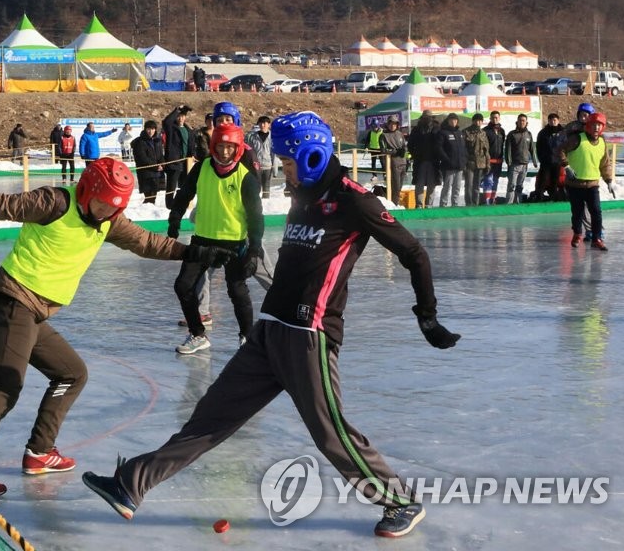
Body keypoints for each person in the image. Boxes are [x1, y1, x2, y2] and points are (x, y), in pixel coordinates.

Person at [83, 111, 461, 539]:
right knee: (210, 417)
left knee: (330, 432)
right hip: (268, 331)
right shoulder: (303, 195)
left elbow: (415, 253)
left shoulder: (355, 200)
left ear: (313, 155)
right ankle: (132, 484)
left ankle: (400, 501)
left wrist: (426, 315)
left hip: (308, 336)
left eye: (287, 163)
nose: (283, 172)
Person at [0, 158, 234, 497]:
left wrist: (195, 253)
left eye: (113, 208)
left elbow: (146, 242)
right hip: (9, 302)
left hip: (32, 313)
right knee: (4, 388)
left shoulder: (109, 221)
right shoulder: (55, 203)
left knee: (72, 373)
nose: (104, 212)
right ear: (87, 189)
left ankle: (40, 452)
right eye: (101, 203)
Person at [167, 123, 263, 353]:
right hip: (202, 241)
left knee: (237, 291)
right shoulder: (201, 169)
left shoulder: (246, 178)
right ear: (213, 146)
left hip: (234, 243)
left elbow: (256, 217)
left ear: (238, 148)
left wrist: (254, 249)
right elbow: (183, 195)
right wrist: (174, 221)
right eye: (220, 146)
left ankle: (247, 337)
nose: (225, 152)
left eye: (230, 147)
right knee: (183, 286)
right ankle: (198, 334)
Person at [559, 112, 612, 251]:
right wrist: (566, 166)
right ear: (588, 125)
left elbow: (605, 163)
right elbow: (560, 150)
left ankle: (596, 238)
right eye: (594, 125)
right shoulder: (577, 139)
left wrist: (609, 180)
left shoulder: (602, 142)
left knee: (596, 212)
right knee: (577, 212)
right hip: (575, 184)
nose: (596, 128)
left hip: (592, 184)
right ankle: (577, 233)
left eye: (599, 125)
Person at [161, 105, 195, 209]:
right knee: (171, 186)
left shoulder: (188, 130)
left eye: (182, 116)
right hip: (174, 161)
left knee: (184, 185)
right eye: (178, 116)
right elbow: (166, 122)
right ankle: (169, 206)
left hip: (185, 162)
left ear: (185, 118)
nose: (180, 119)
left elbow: (191, 145)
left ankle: (181, 204)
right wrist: (177, 110)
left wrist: (192, 155)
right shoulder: (172, 128)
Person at [407, 110, 440, 208]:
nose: (427, 119)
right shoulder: (416, 129)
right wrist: (415, 154)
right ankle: (419, 204)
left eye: (429, 117)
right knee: (419, 183)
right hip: (419, 161)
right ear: (422, 118)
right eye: (425, 117)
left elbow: (441, 144)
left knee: (432, 184)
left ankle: (429, 204)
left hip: (433, 161)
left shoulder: (437, 129)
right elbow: (410, 144)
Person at [503, 113, 536, 204]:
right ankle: (508, 204)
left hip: (525, 165)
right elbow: (508, 149)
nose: (522, 122)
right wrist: (508, 161)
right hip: (514, 164)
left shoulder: (529, 134)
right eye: (520, 120)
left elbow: (532, 149)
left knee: (520, 186)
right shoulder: (512, 134)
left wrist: (534, 160)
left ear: (526, 122)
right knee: (511, 185)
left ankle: (518, 203)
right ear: (517, 122)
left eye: (523, 121)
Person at [436, 113, 466, 207]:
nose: (454, 122)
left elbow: (463, 148)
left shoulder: (459, 133)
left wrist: (464, 159)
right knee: (447, 187)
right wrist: (447, 160)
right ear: (448, 121)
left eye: (455, 120)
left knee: (457, 187)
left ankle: (455, 204)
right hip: (448, 166)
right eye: (452, 120)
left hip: (459, 165)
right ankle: (443, 204)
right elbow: (439, 148)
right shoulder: (443, 132)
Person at [131, 120, 165, 204]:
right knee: (149, 196)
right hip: (146, 172)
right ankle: (144, 212)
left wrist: (162, 164)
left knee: (154, 195)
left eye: (153, 129)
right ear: (145, 129)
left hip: (157, 172)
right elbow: (142, 158)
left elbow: (160, 155)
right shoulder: (140, 142)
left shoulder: (157, 141)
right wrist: (155, 166)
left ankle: (149, 210)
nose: (151, 131)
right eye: (149, 129)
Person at [533, 113, 563, 202]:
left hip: (557, 162)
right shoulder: (543, 133)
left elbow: (567, 146)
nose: (553, 122)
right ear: (548, 121)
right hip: (546, 161)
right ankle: (539, 198)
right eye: (551, 120)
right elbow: (538, 147)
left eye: (554, 120)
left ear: (558, 121)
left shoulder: (563, 132)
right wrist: (541, 158)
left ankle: (553, 198)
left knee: (555, 181)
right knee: (543, 180)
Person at [378, 115, 408, 205]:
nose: (392, 126)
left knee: (400, 186)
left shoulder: (400, 134)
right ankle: (394, 204)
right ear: (388, 124)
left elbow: (404, 146)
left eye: (394, 124)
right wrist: (395, 152)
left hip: (403, 163)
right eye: (391, 124)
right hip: (393, 164)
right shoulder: (383, 135)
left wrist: (405, 152)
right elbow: (383, 150)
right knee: (395, 186)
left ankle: (395, 203)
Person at [461, 113, 489, 206]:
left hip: (480, 163)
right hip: (469, 162)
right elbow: (462, 149)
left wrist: (488, 164)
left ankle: (475, 204)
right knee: (468, 185)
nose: (478, 122)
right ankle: (469, 204)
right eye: (476, 120)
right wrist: (463, 163)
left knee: (476, 186)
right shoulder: (466, 132)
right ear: (473, 121)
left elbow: (486, 150)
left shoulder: (483, 133)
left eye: (480, 120)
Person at [245, 116, 276, 198]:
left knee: (266, 187)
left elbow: (274, 154)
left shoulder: (272, 137)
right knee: (256, 186)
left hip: (268, 166)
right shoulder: (252, 137)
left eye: (265, 123)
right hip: (256, 166)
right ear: (258, 124)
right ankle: (256, 203)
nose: (263, 125)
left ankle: (266, 204)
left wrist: (274, 168)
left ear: (269, 124)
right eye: (261, 123)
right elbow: (249, 152)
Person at [483, 110, 506, 204]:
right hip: (488, 161)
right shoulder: (485, 130)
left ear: (499, 118)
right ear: (490, 118)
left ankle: (493, 200)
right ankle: (487, 201)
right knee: (488, 181)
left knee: (495, 181)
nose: (495, 119)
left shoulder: (502, 131)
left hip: (498, 161)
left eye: (496, 117)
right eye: (493, 118)